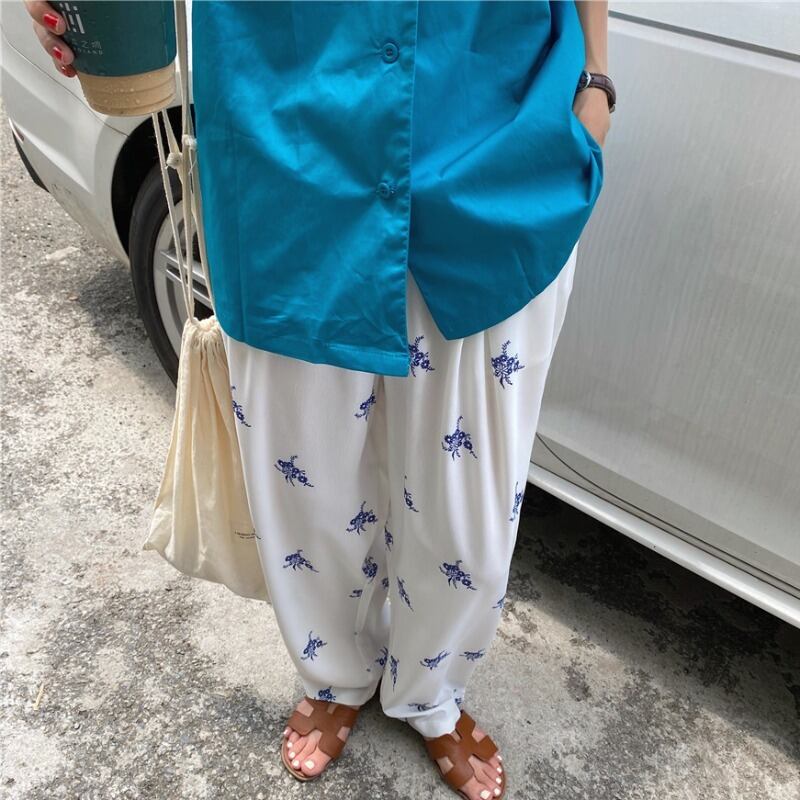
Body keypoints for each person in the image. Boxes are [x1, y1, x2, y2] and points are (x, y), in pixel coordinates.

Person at [28, 2, 612, 797]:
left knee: (467, 509)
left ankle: (431, 691)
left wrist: (597, 80)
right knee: (306, 483)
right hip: (287, 140)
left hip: (495, 131)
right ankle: (335, 672)